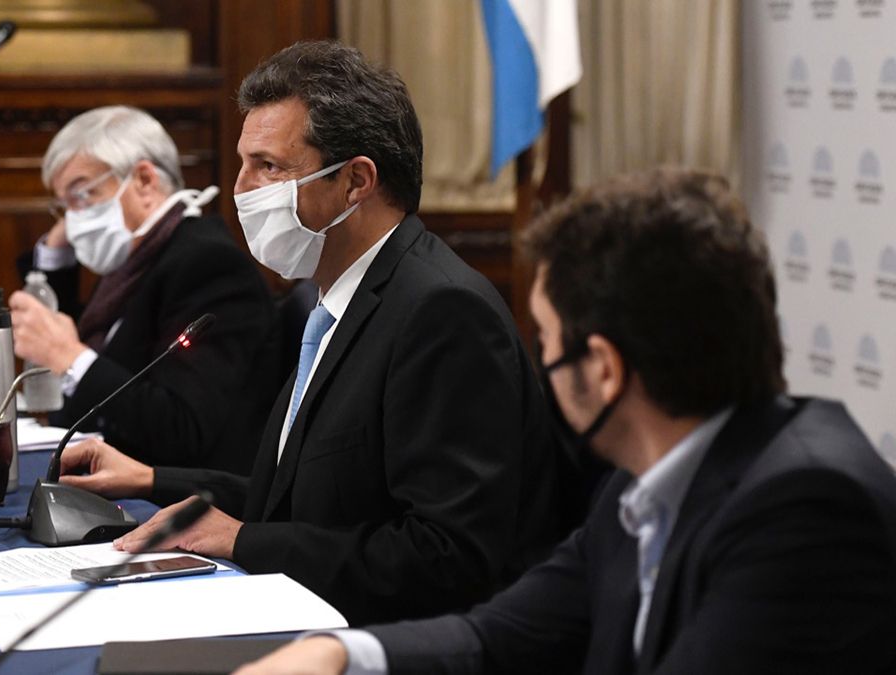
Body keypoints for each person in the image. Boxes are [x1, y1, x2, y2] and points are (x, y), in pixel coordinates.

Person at [237, 167, 896, 674]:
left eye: (545, 339)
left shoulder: (806, 509)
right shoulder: (639, 483)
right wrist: (341, 654)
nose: (540, 359)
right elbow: (497, 635)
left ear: (603, 369)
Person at [56, 41, 562, 625]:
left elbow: (447, 557)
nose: (242, 188)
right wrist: (151, 479)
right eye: (244, 163)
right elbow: (305, 500)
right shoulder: (333, 296)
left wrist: (245, 543)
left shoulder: (441, 312)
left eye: (269, 166)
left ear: (356, 181)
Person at [10, 106, 280, 475]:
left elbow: (182, 427)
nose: (74, 220)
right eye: (65, 206)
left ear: (144, 181)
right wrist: (54, 258)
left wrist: (69, 356)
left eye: (83, 195)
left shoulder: (207, 264)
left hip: (176, 504)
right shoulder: (138, 256)